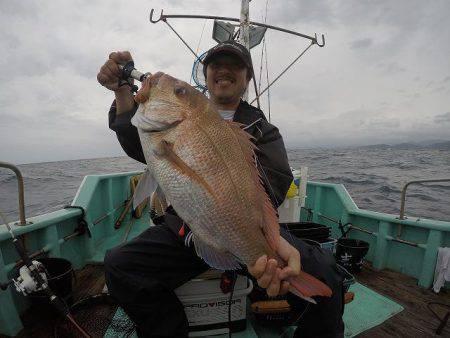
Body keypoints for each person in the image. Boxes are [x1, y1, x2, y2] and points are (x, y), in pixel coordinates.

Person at [98, 40, 345, 337]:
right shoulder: (170, 124)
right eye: (216, 65)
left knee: (328, 275)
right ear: (206, 76)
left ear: (247, 78)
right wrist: (122, 89)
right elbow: (134, 138)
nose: (224, 71)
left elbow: (274, 182)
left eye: (235, 66)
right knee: (118, 266)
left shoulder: (262, 130)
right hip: (183, 229)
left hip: (245, 228)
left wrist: (270, 242)